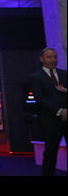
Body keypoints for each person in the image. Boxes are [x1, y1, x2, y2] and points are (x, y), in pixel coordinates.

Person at [30, 48, 67, 176]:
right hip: (50, 120)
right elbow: (40, 99)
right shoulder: (36, 77)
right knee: (51, 152)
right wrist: (60, 111)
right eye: (49, 57)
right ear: (42, 59)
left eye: (55, 57)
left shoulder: (65, 74)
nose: (53, 60)